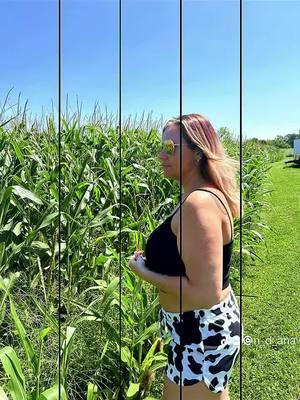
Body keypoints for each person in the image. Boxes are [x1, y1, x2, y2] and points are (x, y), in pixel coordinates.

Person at [128, 113, 242, 400]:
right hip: (195, 330)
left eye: (169, 148)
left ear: (198, 153)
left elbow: (204, 292)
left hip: (201, 334)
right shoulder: (200, 196)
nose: (160, 155)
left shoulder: (199, 203)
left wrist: (143, 272)